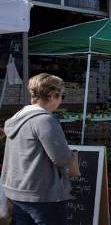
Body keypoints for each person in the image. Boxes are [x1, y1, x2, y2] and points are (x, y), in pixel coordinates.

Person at [1, 73, 75, 224]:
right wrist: (72, 154)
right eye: (62, 96)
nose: (61, 100)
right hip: (43, 195)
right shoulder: (45, 120)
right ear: (53, 95)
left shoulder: (17, 118)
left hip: (17, 193)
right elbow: (62, 158)